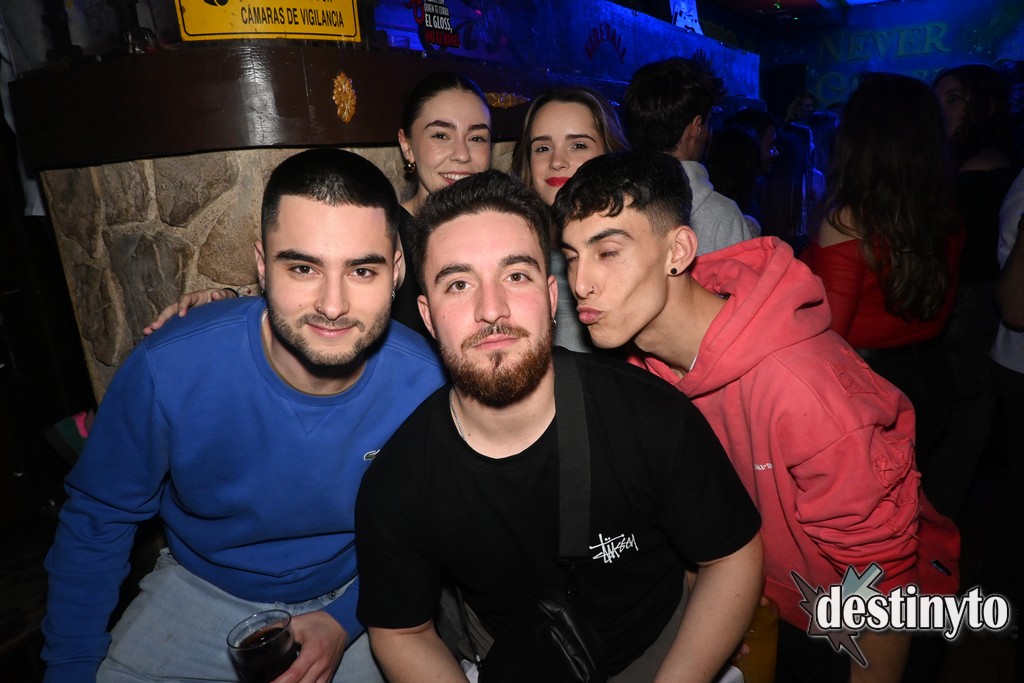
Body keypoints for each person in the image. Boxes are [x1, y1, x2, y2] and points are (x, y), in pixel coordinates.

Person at [554, 149, 960, 683]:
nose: (581, 283)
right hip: (768, 610)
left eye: (608, 252)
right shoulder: (642, 368)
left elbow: (884, 586)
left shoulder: (803, 391)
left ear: (678, 251)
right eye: (572, 256)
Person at [41, 149, 446, 682]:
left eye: (362, 270)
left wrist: (344, 619)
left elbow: (429, 536)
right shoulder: (172, 365)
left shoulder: (425, 385)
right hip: (199, 586)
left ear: (397, 272)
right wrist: (69, 669)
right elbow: (99, 518)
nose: (332, 305)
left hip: (360, 594)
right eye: (302, 268)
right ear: (261, 264)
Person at [355, 169, 764, 681]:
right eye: (459, 284)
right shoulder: (398, 482)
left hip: (662, 650)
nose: (491, 309)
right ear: (428, 315)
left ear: (552, 297)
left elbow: (733, 556)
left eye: (516, 275)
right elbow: (401, 632)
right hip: (516, 660)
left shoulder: (652, 417)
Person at [144, 71, 492, 338]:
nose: (462, 154)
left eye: (477, 137)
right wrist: (227, 300)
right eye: (441, 135)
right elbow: (309, 284)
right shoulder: (386, 231)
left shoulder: (500, 230)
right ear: (407, 145)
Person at [800, 73, 964, 499]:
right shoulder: (943, 212)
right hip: (931, 375)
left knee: (870, 512)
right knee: (911, 503)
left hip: (866, 389)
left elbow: (828, 337)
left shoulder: (849, 220)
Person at [928, 63, 1020, 519]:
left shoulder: (984, 169)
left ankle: (939, 523)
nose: (942, 109)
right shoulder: (957, 163)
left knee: (963, 414)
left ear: (983, 106)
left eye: (955, 99)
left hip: (975, 307)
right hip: (961, 306)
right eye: (938, 99)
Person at [510, 85, 629, 351]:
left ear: (611, 153)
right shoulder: (513, 253)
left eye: (578, 145)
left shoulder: (636, 252)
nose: (557, 161)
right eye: (543, 148)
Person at [622, 57, 755, 254]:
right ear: (696, 128)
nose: (710, 132)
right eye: (708, 122)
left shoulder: (611, 201)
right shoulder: (722, 216)